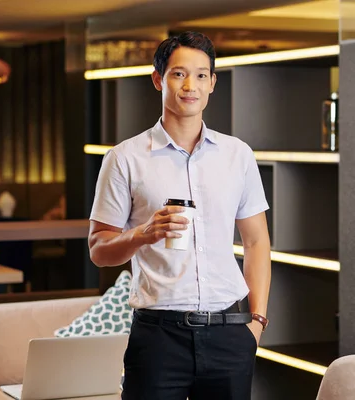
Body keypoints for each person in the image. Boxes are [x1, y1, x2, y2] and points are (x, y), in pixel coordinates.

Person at [87, 31, 271, 400]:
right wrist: (143, 234)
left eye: (202, 75)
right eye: (179, 74)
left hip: (229, 332)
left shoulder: (238, 155)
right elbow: (99, 249)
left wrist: (257, 322)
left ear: (213, 83)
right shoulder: (125, 158)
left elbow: (256, 242)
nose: (191, 85)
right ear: (158, 79)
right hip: (158, 338)